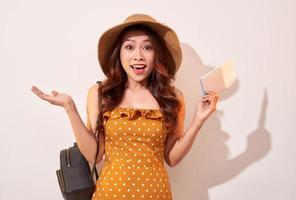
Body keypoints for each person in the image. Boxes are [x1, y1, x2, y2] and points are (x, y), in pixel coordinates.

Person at [31, 13, 219, 200]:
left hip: (157, 195)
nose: (138, 56)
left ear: (157, 55)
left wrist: (198, 120)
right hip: (111, 194)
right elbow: (94, 156)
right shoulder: (100, 93)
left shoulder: (173, 98)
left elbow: (172, 158)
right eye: (129, 47)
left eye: (147, 47)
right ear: (119, 54)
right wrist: (70, 108)